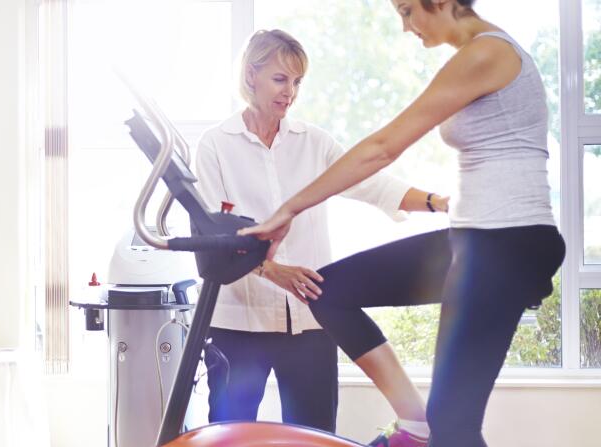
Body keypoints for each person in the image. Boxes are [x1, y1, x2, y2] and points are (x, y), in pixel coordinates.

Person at [241, 2, 566, 446]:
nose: (405, 26)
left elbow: (383, 147)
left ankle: (429, 427)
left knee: (454, 424)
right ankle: (415, 424)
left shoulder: (488, 53)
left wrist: (288, 210)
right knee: (330, 290)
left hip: (508, 241)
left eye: (409, 10)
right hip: (472, 240)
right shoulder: (472, 55)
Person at [195, 29, 449, 434]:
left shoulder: (314, 142)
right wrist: (276, 272)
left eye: (297, 82)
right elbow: (215, 236)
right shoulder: (214, 146)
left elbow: (374, 184)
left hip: (309, 321)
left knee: (315, 434)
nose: (290, 92)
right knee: (229, 435)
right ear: (250, 77)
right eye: (280, 79)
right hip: (238, 324)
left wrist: (439, 202)